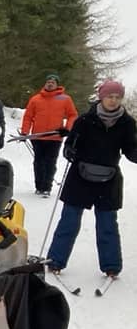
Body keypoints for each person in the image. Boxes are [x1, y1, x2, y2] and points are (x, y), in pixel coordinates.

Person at [45, 80, 137, 277]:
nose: (113, 100)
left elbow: (130, 149)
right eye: (109, 96)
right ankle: (56, 260)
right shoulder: (85, 120)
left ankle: (111, 266)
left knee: (107, 225)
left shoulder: (127, 123)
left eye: (117, 97)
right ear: (101, 97)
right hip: (80, 176)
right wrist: (69, 150)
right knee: (69, 221)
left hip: (109, 179)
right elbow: (70, 143)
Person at [20, 72, 78, 196]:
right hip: (38, 136)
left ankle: (47, 186)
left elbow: (73, 115)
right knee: (39, 161)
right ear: (45, 84)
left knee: (50, 162)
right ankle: (39, 186)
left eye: (53, 82)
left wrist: (67, 128)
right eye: (48, 82)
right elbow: (28, 117)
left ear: (57, 85)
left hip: (55, 137)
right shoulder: (36, 99)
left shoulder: (65, 99)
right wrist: (25, 132)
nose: (50, 84)